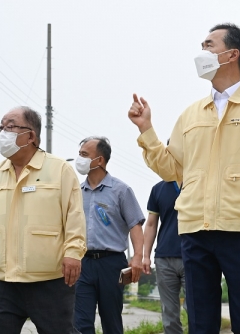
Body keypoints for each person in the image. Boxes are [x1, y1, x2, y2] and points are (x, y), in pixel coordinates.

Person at [128, 23, 240, 334]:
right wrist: (146, 130)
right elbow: (171, 170)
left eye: (209, 45)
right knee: (200, 324)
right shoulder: (191, 114)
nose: (202, 52)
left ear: (232, 54)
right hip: (194, 230)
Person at [0, 106, 86, 334]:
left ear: (31, 135)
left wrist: (73, 253)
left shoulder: (60, 170)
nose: (3, 132)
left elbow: (74, 217)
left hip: (49, 280)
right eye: (1, 127)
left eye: (10, 126)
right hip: (4, 281)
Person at [74, 136, 146, 334]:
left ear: (100, 160)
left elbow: (135, 226)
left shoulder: (121, 191)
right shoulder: (76, 192)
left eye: (84, 154)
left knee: (111, 321)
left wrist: (137, 257)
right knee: (80, 323)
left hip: (112, 264)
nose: (79, 159)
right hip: (83, 264)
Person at [142, 172, 185, 334]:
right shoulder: (158, 189)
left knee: (196, 309)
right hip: (164, 258)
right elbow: (151, 224)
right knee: (169, 313)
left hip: (194, 257)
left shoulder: (197, 184)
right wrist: (146, 256)